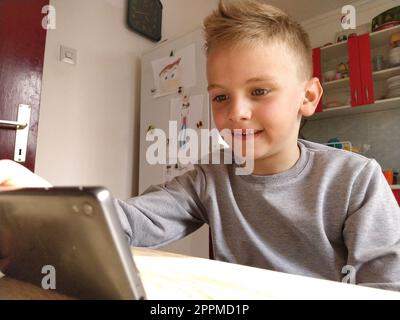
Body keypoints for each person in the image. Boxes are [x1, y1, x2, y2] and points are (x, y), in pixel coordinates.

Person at [1, 0, 399, 291]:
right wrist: (42, 194)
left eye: (259, 90)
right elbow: (125, 221)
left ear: (308, 97)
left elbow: (385, 286)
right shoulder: (209, 180)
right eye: (221, 97)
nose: (236, 112)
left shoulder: (354, 179)